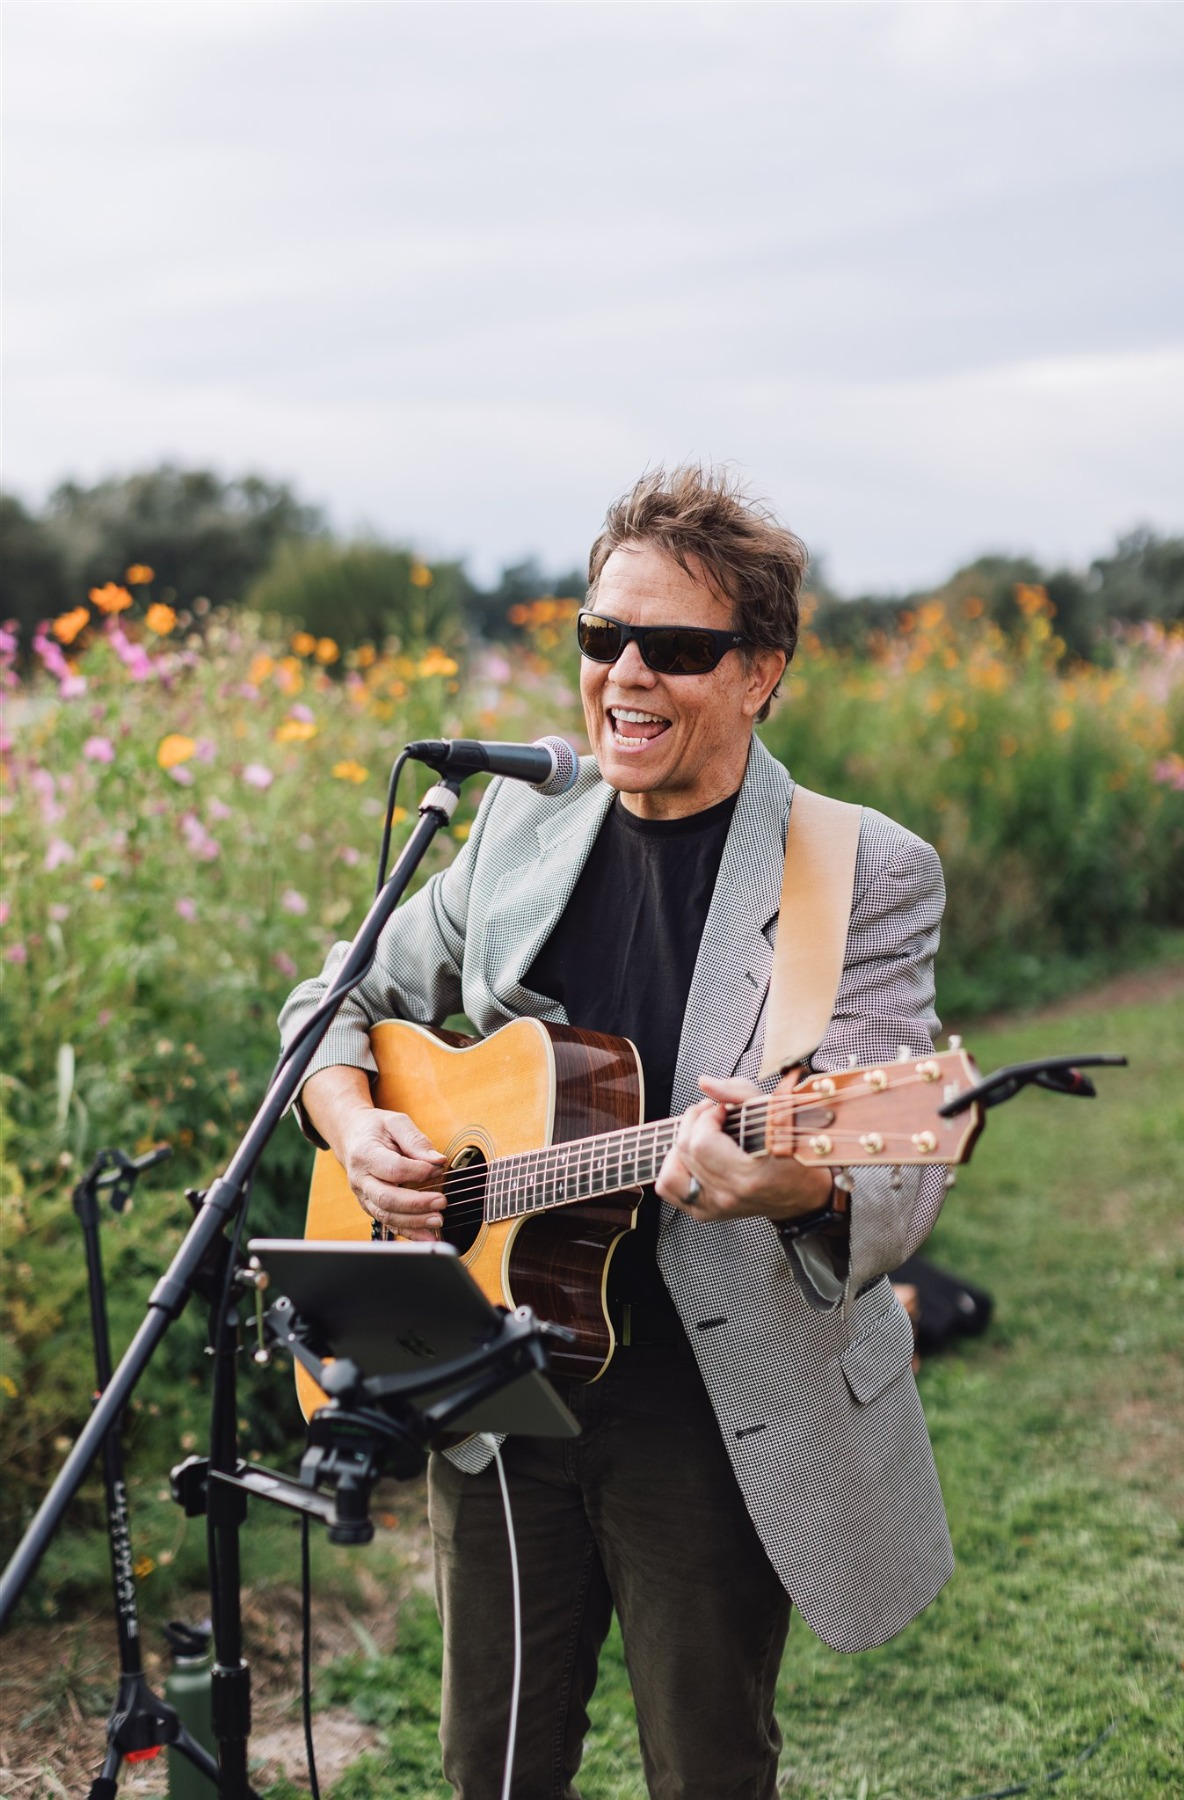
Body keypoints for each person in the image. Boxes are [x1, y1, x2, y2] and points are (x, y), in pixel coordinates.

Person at [279, 466, 953, 1800]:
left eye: (678, 649)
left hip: (710, 1400)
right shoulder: (522, 818)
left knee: (705, 1764)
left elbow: (891, 1157)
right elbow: (335, 1000)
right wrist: (358, 1133)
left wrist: (778, 1182)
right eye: (603, 639)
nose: (626, 675)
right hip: (495, 1370)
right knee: (492, 1762)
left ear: (761, 673)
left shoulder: (858, 869)